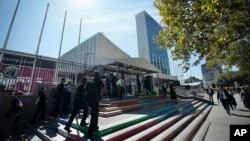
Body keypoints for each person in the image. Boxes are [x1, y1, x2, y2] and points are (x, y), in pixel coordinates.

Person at [85, 70, 104, 140]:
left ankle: (95, 126)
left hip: (90, 99)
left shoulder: (90, 80)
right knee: (94, 114)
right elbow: (102, 87)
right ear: (98, 74)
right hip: (95, 99)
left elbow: (86, 89)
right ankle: (90, 133)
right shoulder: (99, 79)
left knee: (94, 113)